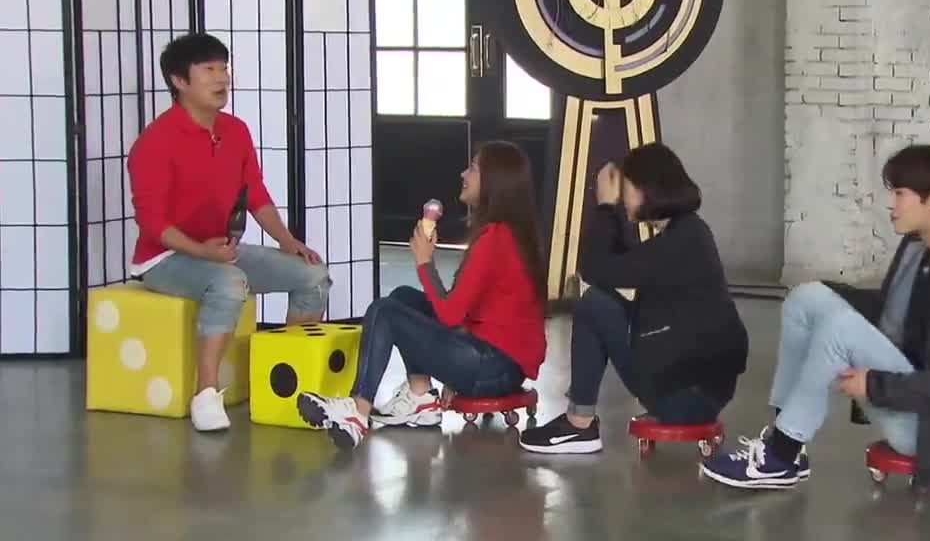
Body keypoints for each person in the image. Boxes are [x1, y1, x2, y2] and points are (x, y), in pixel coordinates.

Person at [701, 144, 930, 491]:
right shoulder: (921, 248)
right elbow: (892, 316)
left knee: (840, 328)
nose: (890, 204)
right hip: (913, 397)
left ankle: (780, 456)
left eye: (900, 194)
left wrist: (874, 385)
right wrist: (829, 293)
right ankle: (786, 442)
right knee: (805, 298)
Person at [127, 33, 330, 432]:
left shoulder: (235, 130)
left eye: (224, 68)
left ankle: (290, 379)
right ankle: (205, 394)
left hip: (218, 251)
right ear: (179, 81)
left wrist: (287, 241)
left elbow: (256, 194)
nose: (222, 78)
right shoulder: (155, 142)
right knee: (229, 282)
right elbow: (152, 223)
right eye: (209, 70)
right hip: (164, 258)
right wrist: (203, 252)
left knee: (312, 274)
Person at [297, 141, 548, 450]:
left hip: (492, 367)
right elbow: (461, 310)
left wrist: (424, 262)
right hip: (499, 364)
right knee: (403, 297)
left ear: (494, 181)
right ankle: (420, 396)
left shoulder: (495, 238)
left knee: (385, 311)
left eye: (473, 168)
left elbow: (450, 315)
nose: (463, 174)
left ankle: (358, 411)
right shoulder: (508, 233)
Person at [518, 142, 749, 454]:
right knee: (599, 301)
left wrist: (604, 207)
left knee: (593, 304)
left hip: (684, 397)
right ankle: (579, 421)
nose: (621, 197)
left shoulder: (682, 242)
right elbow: (617, 261)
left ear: (644, 190)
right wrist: (612, 213)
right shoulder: (688, 233)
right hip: (695, 388)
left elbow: (595, 269)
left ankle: (579, 424)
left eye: (625, 188)